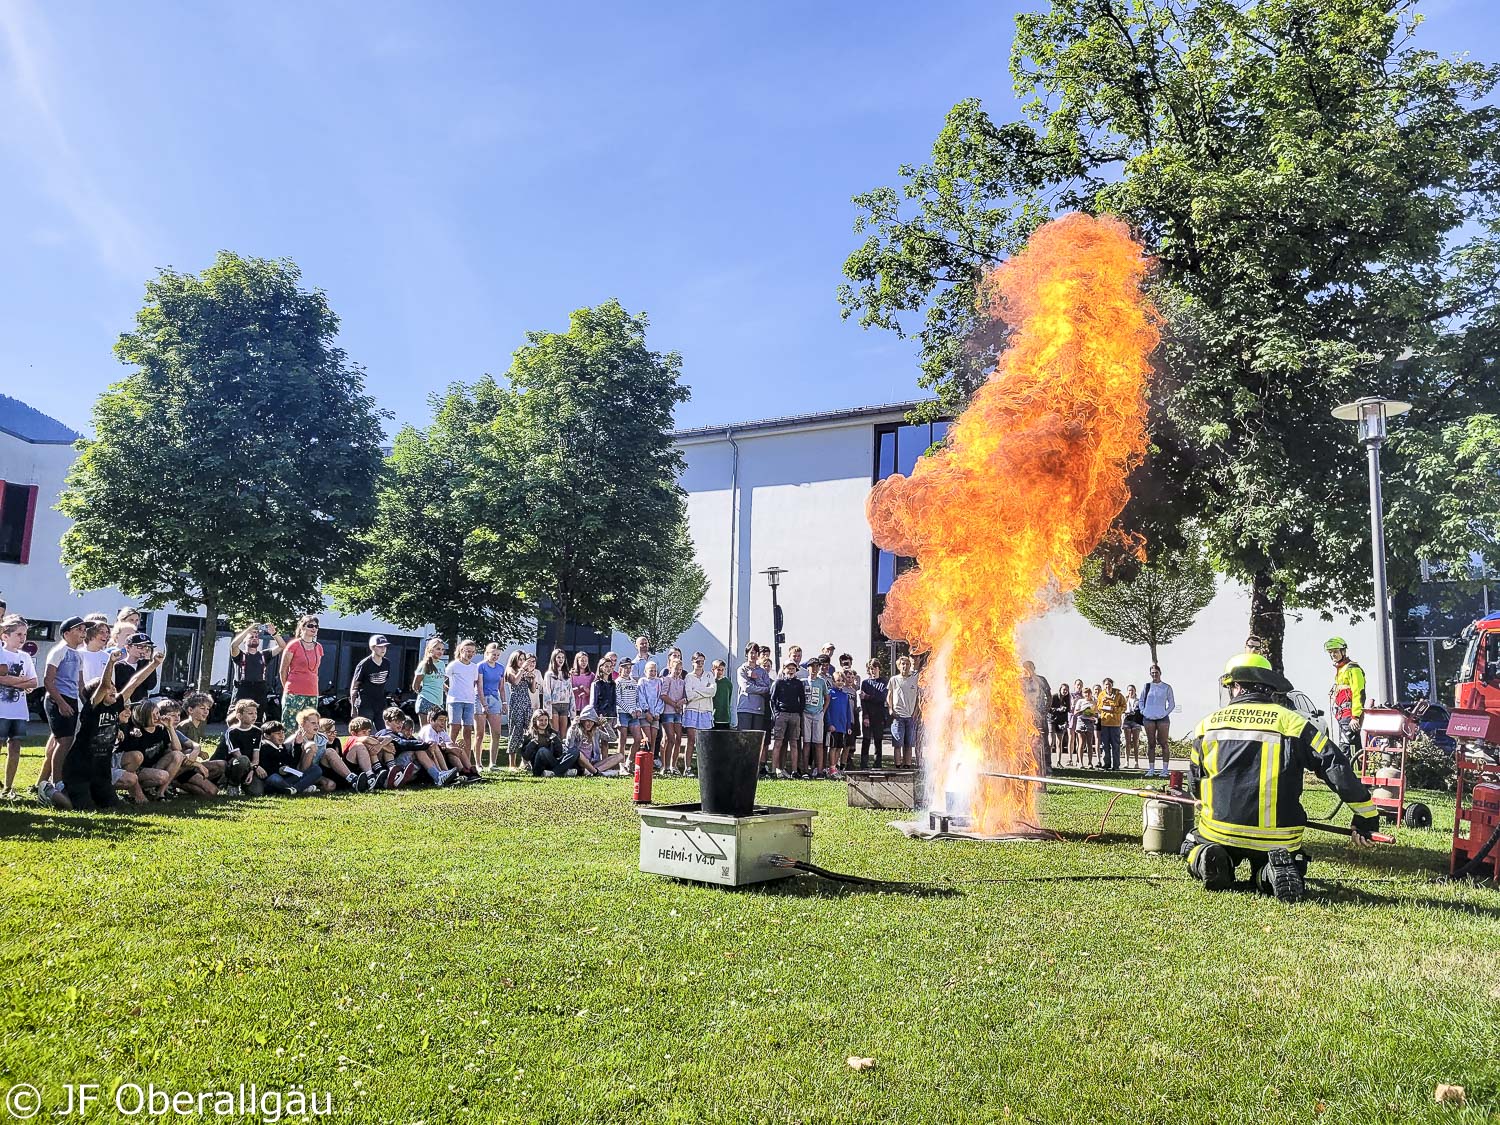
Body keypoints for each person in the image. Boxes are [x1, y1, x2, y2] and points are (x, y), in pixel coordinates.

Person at [1183, 652, 1380, 903]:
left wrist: (1203, 799)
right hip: (1277, 836)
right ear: (1269, 687)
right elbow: (1334, 764)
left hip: (1219, 829)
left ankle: (1207, 858)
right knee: (1280, 859)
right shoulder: (1294, 724)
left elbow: (1194, 783)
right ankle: (1269, 873)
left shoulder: (1207, 725)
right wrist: (1366, 815)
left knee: (1194, 846)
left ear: (1237, 686)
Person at [38, 616, 88, 808]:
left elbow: (80, 683)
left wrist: (87, 702)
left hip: (72, 700)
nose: (83, 633)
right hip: (57, 699)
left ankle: (46, 779)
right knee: (63, 740)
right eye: (79, 629)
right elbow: (48, 680)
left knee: (65, 740)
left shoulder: (78, 654)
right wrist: (60, 703)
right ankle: (57, 781)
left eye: (84, 629)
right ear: (66, 633)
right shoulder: (59, 651)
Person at [0, 614, 38, 800]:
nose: (23, 638)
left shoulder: (25, 657)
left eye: (24, 634)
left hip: (18, 710)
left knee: (15, 746)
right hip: (2, 710)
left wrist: (11, 682)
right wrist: (21, 681)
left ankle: (8, 787)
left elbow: (34, 681)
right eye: (18, 634)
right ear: (5, 636)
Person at [278, 616, 324, 727]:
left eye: (316, 626)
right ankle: (289, 745)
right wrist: (287, 689)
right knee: (290, 726)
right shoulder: (294, 645)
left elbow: (315, 670)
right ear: (302, 627)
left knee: (310, 726)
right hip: (294, 692)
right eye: (310, 626)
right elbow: (283, 670)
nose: (314, 628)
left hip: (312, 692)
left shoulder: (318, 647)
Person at [1324, 637, 1367, 755]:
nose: (1333, 655)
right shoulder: (1341, 669)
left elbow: (1359, 693)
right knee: (1354, 745)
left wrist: (1355, 717)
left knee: (1345, 746)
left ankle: (1343, 772)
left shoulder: (1353, 669)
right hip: (1342, 713)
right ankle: (1358, 768)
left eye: (1336, 652)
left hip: (1349, 714)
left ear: (1343, 652)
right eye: (1331, 652)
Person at [444, 638, 481, 767]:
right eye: (467, 651)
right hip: (455, 700)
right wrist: (447, 690)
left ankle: (467, 761)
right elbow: (443, 679)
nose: (470, 654)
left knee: (467, 730)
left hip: (469, 701)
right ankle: (449, 757)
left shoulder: (474, 667)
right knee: (454, 728)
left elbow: (474, 683)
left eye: (473, 652)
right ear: (461, 651)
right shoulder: (454, 665)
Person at [768, 660, 806, 779]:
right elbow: (772, 699)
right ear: (784, 669)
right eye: (788, 668)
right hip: (782, 714)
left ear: (796, 670)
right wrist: (776, 714)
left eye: (793, 668)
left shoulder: (799, 683)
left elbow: (802, 700)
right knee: (778, 742)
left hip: (794, 715)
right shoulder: (778, 682)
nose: (790, 670)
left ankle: (794, 771)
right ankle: (773, 770)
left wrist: (798, 713)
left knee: (794, 743)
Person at [229, 623, 283, 707]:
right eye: (251, 637)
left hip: (259, 689)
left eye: (256, 637)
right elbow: (234, 645)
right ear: (244, 641)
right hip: (243, 689)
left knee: (258, 717)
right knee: (238, 716)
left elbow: (282, 646)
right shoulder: (240, 655)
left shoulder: (264, 655)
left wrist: (274, 633)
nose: (254, 639)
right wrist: (248, 630)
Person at [681, 651, 716, 776]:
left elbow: (712, 691)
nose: (700, 664)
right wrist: (704, 691)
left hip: (706, 710)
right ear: (693, 662)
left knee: (705, 741)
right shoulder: (689, 677)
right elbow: (689, 695)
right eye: (697, 661)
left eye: (702, 661)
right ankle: (687, 768)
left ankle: (704, 768)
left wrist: (697, 691)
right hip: (692, 710)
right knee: (691, 740)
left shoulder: (709, 675)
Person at [565, 707, 625, 776]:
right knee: (580, 755)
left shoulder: (596, 731)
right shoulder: (575, 730)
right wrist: (573, 727)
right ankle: (594, 772)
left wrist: (605, 724)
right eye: (587, 721)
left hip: (593, 763)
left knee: (620, 756)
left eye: (592, 721)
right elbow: (569, 746)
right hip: (579, 763)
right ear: (583, 721)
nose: (589, 724)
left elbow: (613, 738)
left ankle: (594, 771)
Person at [1139, 665, 1176, 778]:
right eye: (1152, 673)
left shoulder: (1166, 687)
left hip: (1162, 718)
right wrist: (1143, 711)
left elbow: (1172, 704)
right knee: (1151, 743)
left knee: (1163, 743)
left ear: (1160, 673)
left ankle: (1165, 770)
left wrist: (1164, 713)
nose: (1154, 675)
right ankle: (1151, 769)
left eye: (1156, 672)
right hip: (1148, 717)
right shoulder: (1147, 686)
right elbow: (1141, 700)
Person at [350, 635, 394, 727]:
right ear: (373, 647)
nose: (383, 649)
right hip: (365, 704)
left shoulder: (387, 663)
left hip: (380, 703)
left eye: (385, 646)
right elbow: (354, 687)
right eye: (380, 646)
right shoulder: (364, 664)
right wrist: (353, 707)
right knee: (365, 730)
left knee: (384, 731)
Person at [477, 643, 508, 771]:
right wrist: (484, 703)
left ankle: (493, 763)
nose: (495, 657)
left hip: (495, 700)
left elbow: (501, 688)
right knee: (480, 733)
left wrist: (504, 702)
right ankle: (478, 764)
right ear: (487, 653)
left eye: (497, 655)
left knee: (496, 733)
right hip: (480, 699)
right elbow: (479, 686)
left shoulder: (500, 668)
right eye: (493, 654)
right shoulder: (481, 666)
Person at [1020, 661, 1052, 776]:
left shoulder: (1041, 680)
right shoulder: (1021, 681)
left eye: (1029, 667)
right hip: (1026, 714)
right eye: (1025, 668)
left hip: (1039, 713)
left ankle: (1047, 765)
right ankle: (1028, 764)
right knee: (1027, 740)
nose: (1027, 670)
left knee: (1043, 739)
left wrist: (1045, 709)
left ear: (1033, 668)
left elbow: (1048, 695)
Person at [505, 650, 536, 769]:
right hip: (516, 703)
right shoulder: (510, 670)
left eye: (523, 659)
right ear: (514, 660)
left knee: (528, 733)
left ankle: (525, 762)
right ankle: (511, 764)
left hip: (526, 703)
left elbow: (533, 690)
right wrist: (523, 670)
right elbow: (515, 681)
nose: (522, 662)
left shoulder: (526, 671)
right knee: (515, 731)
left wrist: (532, 679)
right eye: (520, 659)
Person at [659, 650, 688, 774]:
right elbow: (663, 695)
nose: (678, 671)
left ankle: (674, 765)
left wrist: (680, 703)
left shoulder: (682, 682)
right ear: (671, 668)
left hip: (678, 712)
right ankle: (664, 766)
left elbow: (686, 696)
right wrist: (674, 704)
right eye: (676, 669)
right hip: (668, 712)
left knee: (678, 738)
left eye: (680, 669)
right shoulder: (666, 680)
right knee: (670, 738)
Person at [518, 710, 572, 777]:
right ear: (535, 721)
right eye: (541, 720)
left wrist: (556, 741)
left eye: (546, 720)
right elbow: (526, 756)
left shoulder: (552, 733)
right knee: (542, 750)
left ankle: (555, 772)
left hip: (551, 764)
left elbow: (558, 754)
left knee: (574, 751)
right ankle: (562, 771)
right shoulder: (529, 735)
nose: (544, 723)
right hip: (538, 767)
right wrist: (533, 743)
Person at [888, 656, 919, 771]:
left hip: (910, 716)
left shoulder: (915, 679)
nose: (905, 666)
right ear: (898, 666)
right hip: (898, 716)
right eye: (902, 664)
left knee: (909, 744)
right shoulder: (894, 679)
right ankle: (897, 766)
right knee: (898, 743)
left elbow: (919, 697)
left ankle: (907, 765)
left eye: (906, 664)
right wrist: (891, 709)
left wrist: (915, 712)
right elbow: (889, 696)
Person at [802, 658, 831, 777]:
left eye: (816, 667)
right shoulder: (803, 681)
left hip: (818, 714)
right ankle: (805, 770)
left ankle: (819, 770)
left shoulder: (821, 682)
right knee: (807, 742)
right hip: (806, 713)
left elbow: (827, 697)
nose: (814, 669)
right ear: (808, 668)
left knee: (819, 743)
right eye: (812, 667)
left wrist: (822, 711)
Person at [859, 659, 888, 769]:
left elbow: (882, 698)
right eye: (871, 669)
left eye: (875, 668)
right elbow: (863, 700)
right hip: (868, 715)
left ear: (879, 668)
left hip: (879, 714)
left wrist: (868, 697)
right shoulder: (865, 683)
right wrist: (865, 716)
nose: (873, 671)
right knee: (866, 739)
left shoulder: (884, 682)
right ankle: (863, 763)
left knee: (878, 739)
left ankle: (878, 763)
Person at [412, 638, 449, 724]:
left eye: (442, 649)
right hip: (426, 700)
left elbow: (439, 681)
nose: (440, 651)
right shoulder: (424, 664)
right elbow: (415, 685)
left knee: (440, 732)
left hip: (439, 702)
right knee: (427, 732)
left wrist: (446, 688)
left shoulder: (442, 664)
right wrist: (424, 694)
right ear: (430, 649)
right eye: (438, 649)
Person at [735, 643, 770, 733]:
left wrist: (756, 678)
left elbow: (768, 689)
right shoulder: (742, 669)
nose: (753, 655)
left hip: (759, 710)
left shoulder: (762, 672)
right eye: (751, 652)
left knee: (756, 740)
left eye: (755, 653)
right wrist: (762, 689)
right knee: (744, 739)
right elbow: (747, 688)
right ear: (747, 654)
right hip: (745, 708)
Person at [613, 657, 642, 766]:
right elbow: (618, 700)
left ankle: (629, 761)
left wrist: (638, 709)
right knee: (622, 739)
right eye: (625, 667)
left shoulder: (634, 682)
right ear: (620, 668)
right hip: (622, 713)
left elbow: (637, 698)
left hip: (634, 714)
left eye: (629, 667)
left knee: (638, 738)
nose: (628, 670)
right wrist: (630, 710)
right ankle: (621, 765)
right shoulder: (618, 682)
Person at [1095, 677, 1127, 770]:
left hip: (1115, 723)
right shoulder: (1101, 695)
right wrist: (1104, 706)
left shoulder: (1119, 695)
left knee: (1115, 745)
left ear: (1112, 685)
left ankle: (1116, 765)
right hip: (1104, 722)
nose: (1107, 686)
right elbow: (1098, 706)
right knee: (1105, 745)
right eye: (1106, 684)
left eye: (1109, 684)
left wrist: (1115, 709)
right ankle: (1106, 763)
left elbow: (1124, 707)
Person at [637, 661, 664, 767]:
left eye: (654, 670)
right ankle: (644, 760)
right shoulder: (642, 681)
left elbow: (661, 697)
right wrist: (647, 711)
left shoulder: (659, 682)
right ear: (645, 671)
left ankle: (651, 760)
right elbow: (641, 697)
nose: (653, 672)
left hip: (655, 714)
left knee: (654, 738)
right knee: (647, 738)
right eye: (650, 670)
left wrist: (657, 712)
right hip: (645, 714)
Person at [544, 650, 573, 737]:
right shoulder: (549, 674)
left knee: (564, 734)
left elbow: (570, 692)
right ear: (554, 659)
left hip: (565, 704)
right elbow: (547, 692)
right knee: (555, 732)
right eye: (559, 657)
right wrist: (547, 711)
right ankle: (554, 749)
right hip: (554, 705)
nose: (561, 660)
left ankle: (563, 750)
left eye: (563, 657)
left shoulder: (567, 674)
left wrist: (572, 711)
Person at [1049, 683, 1072, 768]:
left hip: (1061, 721)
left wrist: (1066, 722)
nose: (1065, 691)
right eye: (1064, 689)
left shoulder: (1067, 699)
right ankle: (1048, 761)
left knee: (1059, 742)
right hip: (1052, 720)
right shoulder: (1054, 697)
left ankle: (1058, 762)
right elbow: (1049, 709)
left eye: (1066, 690)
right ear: (1060, 689)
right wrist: (1058, 709)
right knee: (1051, 742)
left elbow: (1068, 711)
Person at [1123, 685, 1144, 769]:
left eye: (1132, 690)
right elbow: (1121, 710)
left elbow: (1141, 710)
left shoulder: (1138, 701)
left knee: (1135, 742)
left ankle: (1136, 762)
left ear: (1135, 691)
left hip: (1135, 721)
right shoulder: (1125, 700)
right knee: (1127, 742)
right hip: (1127, 720)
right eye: (1129, 690)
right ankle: (1126, 762)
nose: (1130, 692)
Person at [569, 652, 594, 716]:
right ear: (577, 661)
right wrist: (576, 689)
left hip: (586, 706)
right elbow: (567, 690)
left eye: (586, 661)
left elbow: (593, 692)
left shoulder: (591, 675)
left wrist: (586, 692)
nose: (584, 663)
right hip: (574, 705)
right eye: (582, 660)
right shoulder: (571, 674)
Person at [711, 659, 732, 731]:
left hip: (725, 716)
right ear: (713, 670)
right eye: (718, 669)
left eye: (722, 670)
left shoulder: (728, 683)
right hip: (714, 716)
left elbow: (729, 698)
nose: (720, 672)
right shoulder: (711, 682)